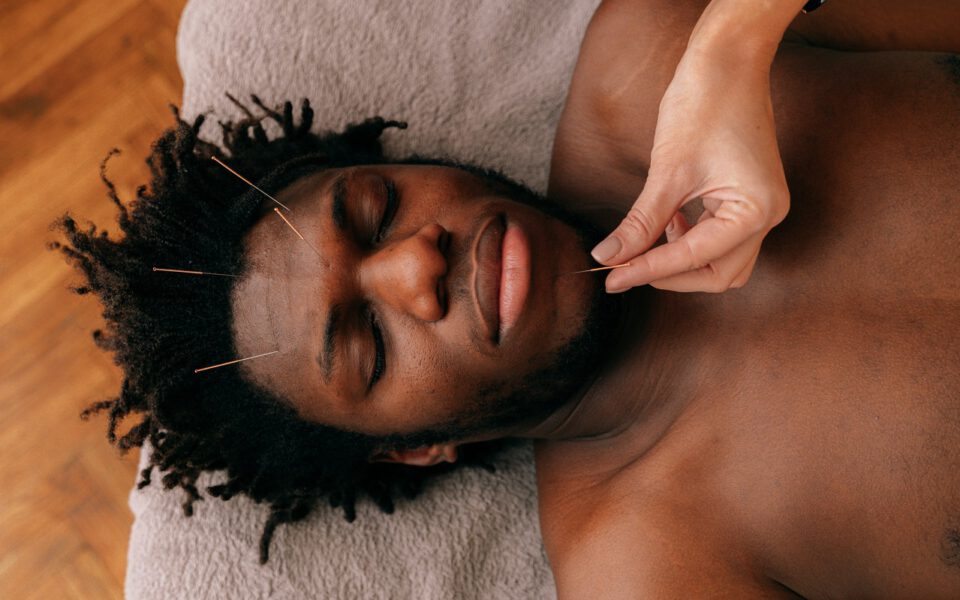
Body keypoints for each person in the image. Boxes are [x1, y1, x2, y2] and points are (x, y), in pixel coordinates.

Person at [57, 1, 960, 597]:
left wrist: (739, 36)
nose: (417, 265)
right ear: (416, 451)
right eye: (367, 343)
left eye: (375, 211)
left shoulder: (655, 60)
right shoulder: (655, 567)